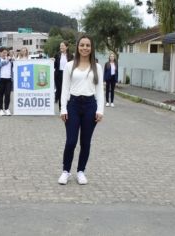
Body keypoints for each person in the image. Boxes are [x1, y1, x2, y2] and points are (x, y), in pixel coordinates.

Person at [58, 35, 104, 185]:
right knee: (71, 141)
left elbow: (100, 91)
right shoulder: (70, 65)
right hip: (73, 105)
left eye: (88, 45)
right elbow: (64, 88)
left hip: (90, 106)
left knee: (85, 142)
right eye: (82, 45)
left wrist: (100, 110)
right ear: (77, 47)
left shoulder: (97, 67)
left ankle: (81, 171)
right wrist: (63, 108)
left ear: (92, 48)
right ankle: (66, 171)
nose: (85, 48)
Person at [0, 47, 13, 116]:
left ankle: (6, 109)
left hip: (8, 79)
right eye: (3, 52)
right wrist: (5, 61)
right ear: (0, 52)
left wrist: (11, 60)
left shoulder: (10, 59)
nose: (5, 54)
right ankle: (0, 110)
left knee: (7, 94)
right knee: (0, 94)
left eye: (6, 52)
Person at [54, 41, 73, 111]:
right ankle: (61, 108)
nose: (61, 47)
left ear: (66, 47)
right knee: (60, 91)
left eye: (62, 45)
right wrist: (52, 61)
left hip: (67, 74)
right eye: (60, 46)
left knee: (67, 91)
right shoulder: (57, 55)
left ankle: (68, 106)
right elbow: (54, 65)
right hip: (58, 74)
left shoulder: (71, 56)